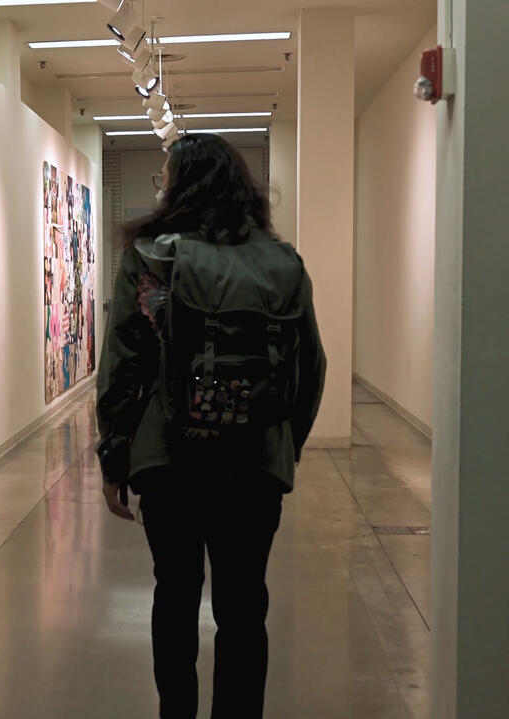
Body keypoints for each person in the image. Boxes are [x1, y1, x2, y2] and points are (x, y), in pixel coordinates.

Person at [96, 134, 326, 719]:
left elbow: (126, 361)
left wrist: (113, 456)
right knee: (244, 607)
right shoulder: (283, 263)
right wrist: (283, 444)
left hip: (168, 461)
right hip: (254, 464)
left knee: (174, 596)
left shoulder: (151, 256)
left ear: (179, 185)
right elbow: (311, 366)